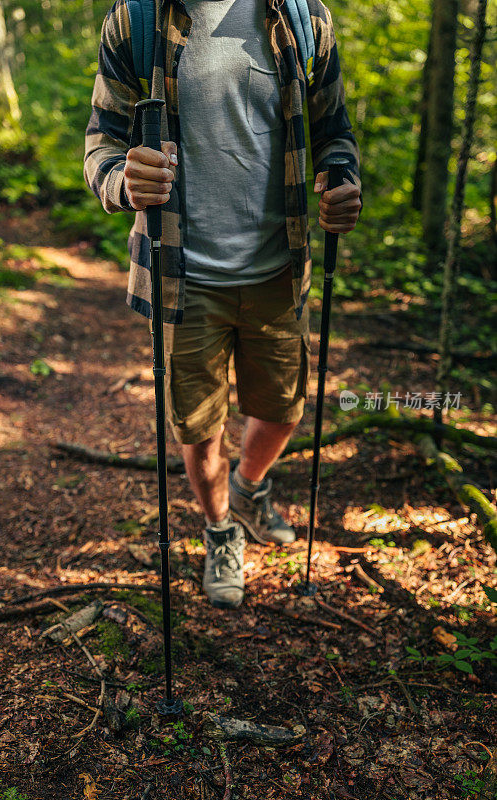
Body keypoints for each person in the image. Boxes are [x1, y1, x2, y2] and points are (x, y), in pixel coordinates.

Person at [85, 0, 361, 609]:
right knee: (197, 423)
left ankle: (249, 486)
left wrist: (341, 177)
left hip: (278, 267)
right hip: (183, 272)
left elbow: (333, 130)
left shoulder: (303, 17)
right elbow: (101, 141)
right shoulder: (138, 20)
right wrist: (120, 182)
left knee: (285, 408)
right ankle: (220, 533)